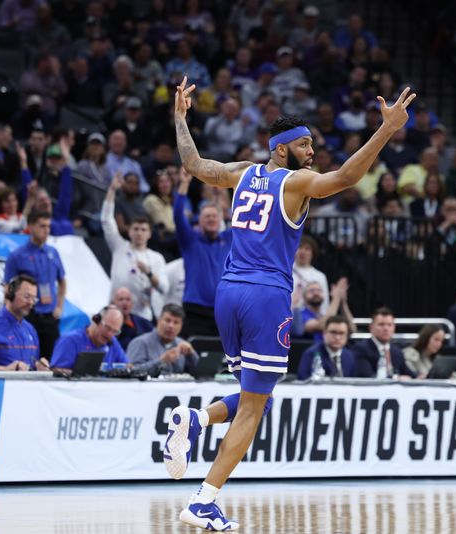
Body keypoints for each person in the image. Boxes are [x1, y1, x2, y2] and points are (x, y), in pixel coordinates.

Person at [163, 76, 415, 530]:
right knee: (256, 407)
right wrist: (387, 130)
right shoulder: (296, 183)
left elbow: (193, 162)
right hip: (265, 297)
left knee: (254, 398)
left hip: (228, 293)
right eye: (303, 144)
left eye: (312, 144)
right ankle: (204, 500)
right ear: (280, 149)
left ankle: (195, 418)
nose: (311, 151)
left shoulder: (241, 172)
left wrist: (180, 118)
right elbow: (348, 178)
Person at [175, 168, 232, 338]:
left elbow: (244, 220)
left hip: (222, 312)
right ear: (198, 221)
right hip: (195, 311)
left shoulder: (228, 239)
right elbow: (178, 216)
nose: (211, 219)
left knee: (219, 359)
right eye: (206, 216)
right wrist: (184, 184)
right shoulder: (190, 240)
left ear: (221, 220)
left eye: (214, 216)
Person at [102, 177, 168, 321]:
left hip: (142, 314)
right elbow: (106, 221)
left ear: (149, 234)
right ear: (129, 231)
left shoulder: (156, 258)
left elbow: (164, 288)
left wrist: (149, 273)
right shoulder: (119, 246)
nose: (139, 233)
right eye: (136, 229)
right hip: (115, 313)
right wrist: (112, 190)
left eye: (143, 230)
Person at [4, 210, 66, 359]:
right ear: (30, 227)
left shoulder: (53, 252)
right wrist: (9, 311)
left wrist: (59, 306)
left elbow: (62, 281)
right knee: (26, 357)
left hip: (50, 316)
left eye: (48, 226)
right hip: (28, 315)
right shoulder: (17, 255)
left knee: (51, 359)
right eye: (42, 226)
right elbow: (8, 286)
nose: (46, 230)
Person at [50, 305, 129, 372]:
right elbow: (56, 372)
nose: (109, 334)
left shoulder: (112, 342)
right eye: (107, 328)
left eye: (115, 331)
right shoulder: (70, 341)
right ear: (96, 319)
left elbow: (128, 366)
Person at [127, 304, 197, 377]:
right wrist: (162, 361)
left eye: (176, 322)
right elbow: (132, 372)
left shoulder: (182, 345)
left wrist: (192, 354)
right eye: (167, 320)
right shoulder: (140, 343)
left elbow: (202, 374)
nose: (171, 326)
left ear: (181, 326)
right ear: (159, 320)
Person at [351, 307, 416, 379]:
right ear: (371, 328)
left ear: (394, 328)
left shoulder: (396, 352)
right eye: (381, 324)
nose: (386, 329)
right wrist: (396, 378)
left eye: (389, 325)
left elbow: (409, 374)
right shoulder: (361, 349)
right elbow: (367, 377)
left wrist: (419, 377)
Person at [296, 315, 355, 379]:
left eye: (341, 333)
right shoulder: (311, 354)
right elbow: (303, 380)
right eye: (333, 332)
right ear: (324, 333)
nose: (337, 337)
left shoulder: (349, 356)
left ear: (347, 335)